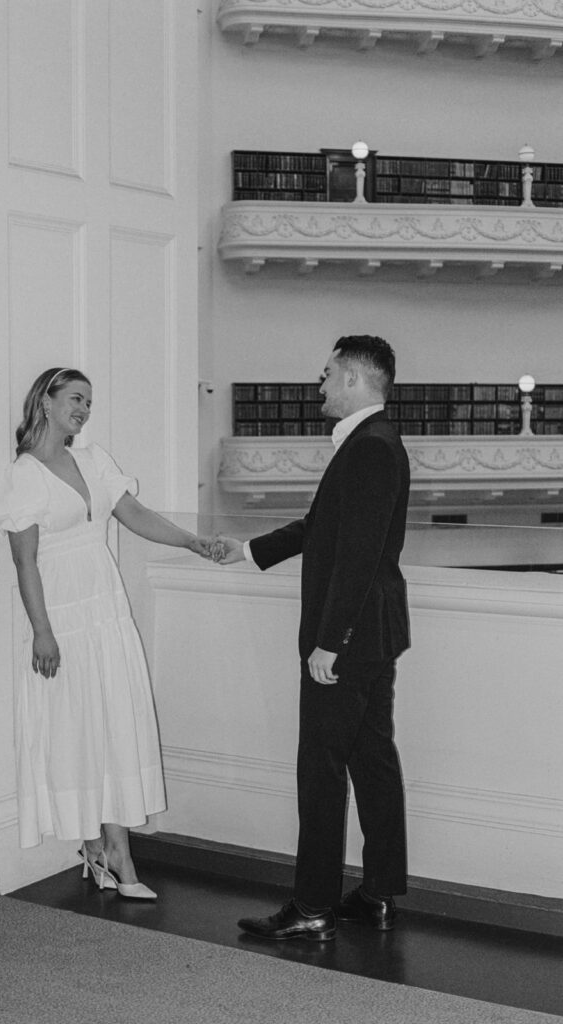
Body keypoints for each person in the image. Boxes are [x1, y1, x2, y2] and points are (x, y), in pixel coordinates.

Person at [0, 367, 212, 899]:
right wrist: (42, 631)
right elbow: (25, 563)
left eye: (89, 402)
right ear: (46, 401)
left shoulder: (93, 459)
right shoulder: (23, 474)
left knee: (114, 721)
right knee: (78, 728)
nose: (85, 409)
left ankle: (118, 851)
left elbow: (133, 513)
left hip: (106, 611)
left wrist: (191, 542)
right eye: (75, 398)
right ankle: (96, 847)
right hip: (63, 616)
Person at [216, 336, 410, 940]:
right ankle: (377, 894)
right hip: (373, 636)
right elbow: (322, 528)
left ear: (354, 379)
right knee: (372, 759)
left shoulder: (371, 448)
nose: (319, 385)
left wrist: (332, 641)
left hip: (349, 641)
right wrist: (247, 551)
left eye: (326, 375)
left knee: (321, 768)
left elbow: (359, 555)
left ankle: (313, 907)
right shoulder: (372, 442)